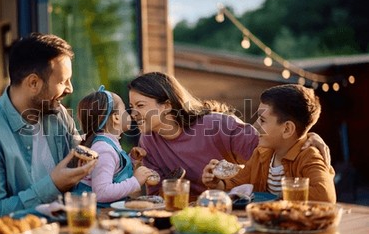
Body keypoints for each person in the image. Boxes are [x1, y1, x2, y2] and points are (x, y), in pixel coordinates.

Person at [0, 33, 97, 218]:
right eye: (63, 81)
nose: (70, 89)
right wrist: (53, 185)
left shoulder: (58, 114)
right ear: (33, 83)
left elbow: (80, 173)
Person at [127, 71, 331, 197]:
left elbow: (271, 144)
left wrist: (307, 137)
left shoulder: (217, 125)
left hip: (230, 212)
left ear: (167, 106)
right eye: (131, 106)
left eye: (140, 105)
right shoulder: (148, 142)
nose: (133, 113)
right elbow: (156, 197)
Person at [202, 84, 336, 203]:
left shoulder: (309, 156)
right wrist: (217, 183)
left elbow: (326, 196)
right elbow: (237, 183)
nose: (255, 125)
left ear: (287, 129)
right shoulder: (261, 153)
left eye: (263, 120)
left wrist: (281, 199)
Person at [72, 85, 156, 206]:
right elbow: (101, 193)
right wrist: (136, 181)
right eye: (125, 110)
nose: (131, 114)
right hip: (97, 213)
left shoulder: (107, 145)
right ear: (116, 118)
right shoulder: (104, 149)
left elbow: (114, 174)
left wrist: (132, 159)